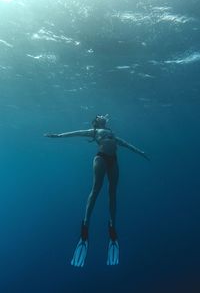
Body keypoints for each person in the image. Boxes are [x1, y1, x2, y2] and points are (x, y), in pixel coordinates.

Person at [44, 114, 149, 267]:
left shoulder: (112, 134)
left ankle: (112, 226)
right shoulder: (93, 131)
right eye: (100, 115)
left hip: (114, 161)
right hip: (100, 158)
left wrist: (141, 152)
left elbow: (126, 144)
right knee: (96, 190)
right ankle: (85, 225)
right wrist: (57, 135)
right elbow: (75, 133)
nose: (103, 116)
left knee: (113, 193)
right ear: (97, 121)